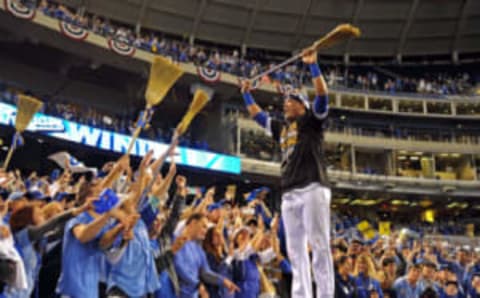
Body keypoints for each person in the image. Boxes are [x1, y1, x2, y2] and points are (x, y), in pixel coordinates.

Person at [240, 46, 332, 298]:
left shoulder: (312, 122)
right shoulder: (282, 127)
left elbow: (322, 95)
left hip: (313, 186)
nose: (285, 104)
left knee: (319, 245)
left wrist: (313, 65)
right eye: (285, 101)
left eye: (290, 101)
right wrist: (247, 94)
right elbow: (258, 117)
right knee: (295, 250)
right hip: (290, 192)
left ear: (302, 105)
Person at [174, 213, 239, 298]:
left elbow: (206, 273)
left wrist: (224, 281)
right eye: (203, 226)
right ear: (193, 223)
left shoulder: (199, 250)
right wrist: (198, 285)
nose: (206, 231)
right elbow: (179, 267)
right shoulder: (175, 240)